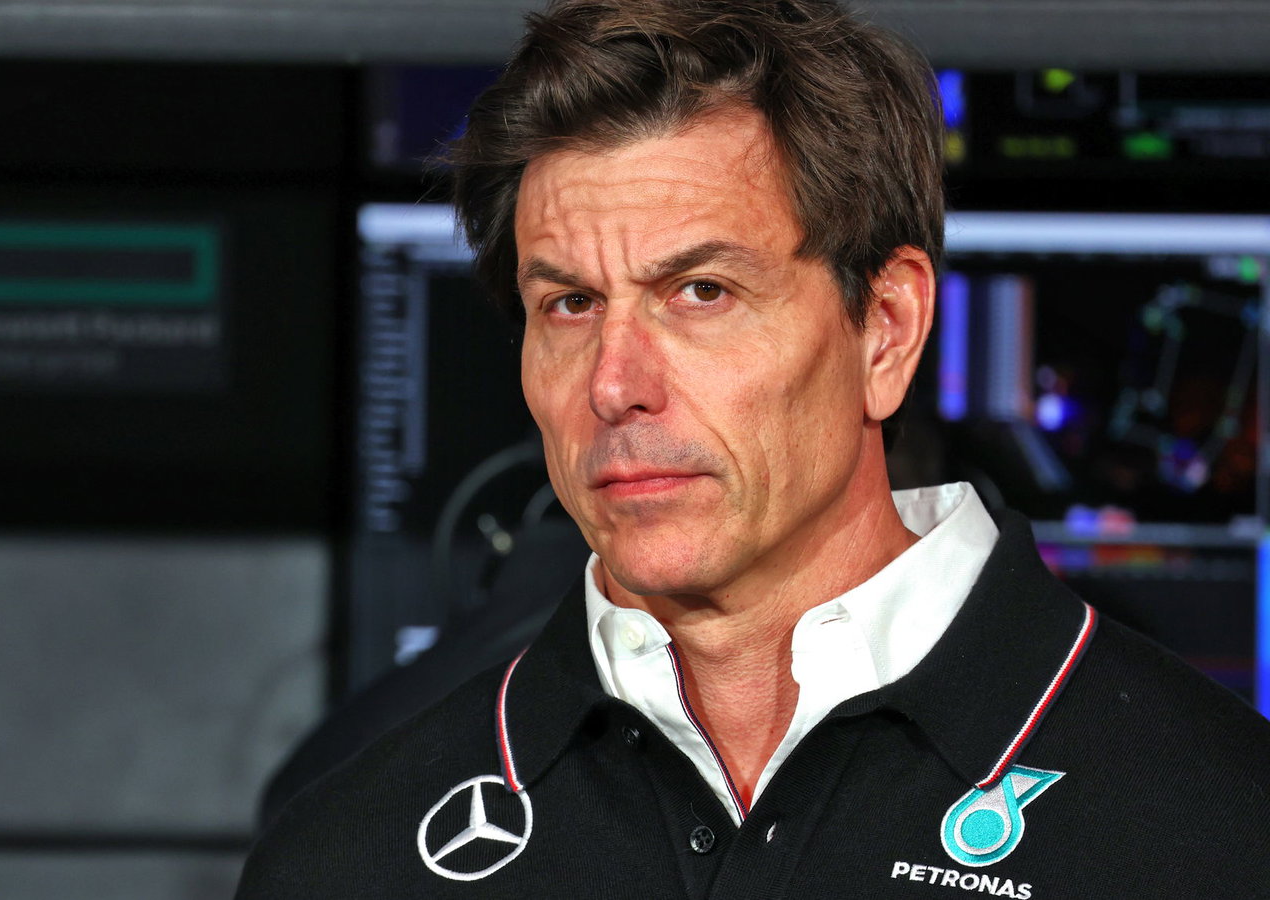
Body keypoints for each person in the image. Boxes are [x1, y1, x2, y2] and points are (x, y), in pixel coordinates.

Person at [237, 1, 1270, 896]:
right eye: (570, 304)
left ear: (886, 330)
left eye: (702, 292)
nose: (613, 384)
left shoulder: (1219, 828)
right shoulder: (349, 858)